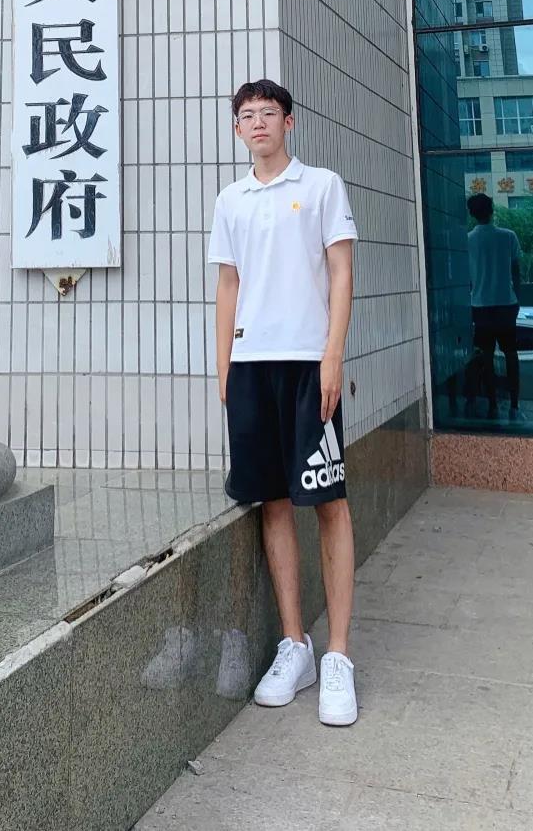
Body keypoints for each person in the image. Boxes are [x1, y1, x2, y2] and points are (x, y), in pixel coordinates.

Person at [208, 78, 359, 727]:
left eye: (268, 113)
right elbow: (228, 285)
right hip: (251, 367)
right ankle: (294, 645)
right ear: (237, 129)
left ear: (289, 123)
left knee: (329, 501)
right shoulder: (231, 199)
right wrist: (224, 368)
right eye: (247, 115)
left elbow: (342, 272)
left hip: (307, 366)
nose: (258, 123)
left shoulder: (321, 186)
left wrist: (333, 355)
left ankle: (338, 655)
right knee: (272, 501)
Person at [466, 192, 523, 421]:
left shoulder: (468, 240)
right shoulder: (508, 236)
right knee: (511, 355)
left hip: (480, 305)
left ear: (472, 214)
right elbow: (516, 272)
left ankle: (492, 405)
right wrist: (517, 298)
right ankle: (515, 405)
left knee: (486, 358)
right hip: (506, 304)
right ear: (492, 210)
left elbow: (466, 278)